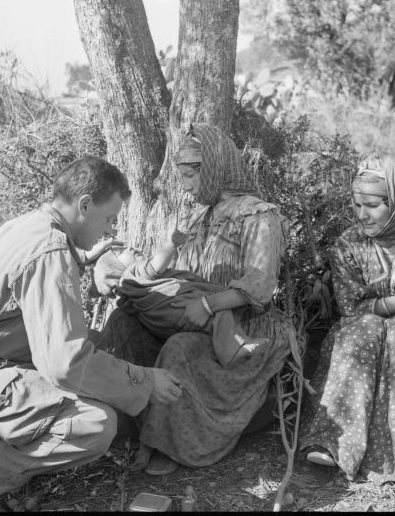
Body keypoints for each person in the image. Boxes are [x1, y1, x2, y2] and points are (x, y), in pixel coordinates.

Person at [0, 156, 182, 512]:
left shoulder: (29, 225)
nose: (108, 231)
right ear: (84, 204)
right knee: (95, 424)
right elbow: (64, 364)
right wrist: (144, 380)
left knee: (95, 352)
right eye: (108, 219)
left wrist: (83, 260)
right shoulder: (50, 251)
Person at [96, 122, 294, 476]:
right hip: (190, 311)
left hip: (240, 325)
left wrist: (208, 305)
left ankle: (170, 442)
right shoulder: (198, 215)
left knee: (180, 350)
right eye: (182, 176)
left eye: (191, 175)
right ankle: (124, 427)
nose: (186, 186)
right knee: (122, 324)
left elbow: (261, 284)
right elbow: (178, 271)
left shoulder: (258, 215)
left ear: (215, 166)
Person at [300, 152, 395, 484]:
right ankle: (333, 440)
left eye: (373, 205)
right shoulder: (349, 245)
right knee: (364, 329)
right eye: (357, 205)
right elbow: (349, 306)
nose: (363, 215)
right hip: (366, 338)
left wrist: (378, 309)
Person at [92, 230, 270, 367]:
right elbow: (155, 266)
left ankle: (233, 345)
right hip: (180, 309)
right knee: (220, 307)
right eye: (122, 250)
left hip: (168, 321)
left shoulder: (131, 296)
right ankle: (232, 349)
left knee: (214, 321)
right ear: (115, 269)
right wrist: (170, 245)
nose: (131, 248)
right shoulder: (132, 276)